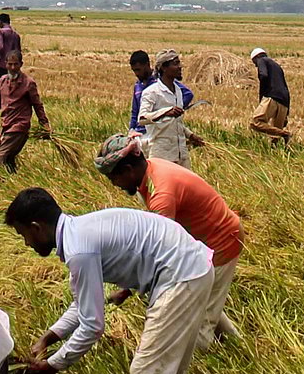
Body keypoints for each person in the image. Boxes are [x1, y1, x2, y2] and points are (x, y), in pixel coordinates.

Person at [5, 189, 214, 374]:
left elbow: (92, 326)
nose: (26, 243)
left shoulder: (80, 250)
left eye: (23, 234)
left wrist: (51, 366)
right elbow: (82, 305)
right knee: (168, 370)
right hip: (196, 267)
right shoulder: (78, 232)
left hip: (180, 276)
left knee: (146, 371)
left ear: (37, 227)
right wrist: (48, 338)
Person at [94, 134, 242, 347]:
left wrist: (127, 290)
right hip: (205, 242)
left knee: (198, 324)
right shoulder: (151, 170)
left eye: (113, 178)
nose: (114, 184)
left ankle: (203, 372)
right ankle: (236, 346)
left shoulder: (161, 193)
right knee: (205, 301)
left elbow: (159, 251)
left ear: (127, 170)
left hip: (221, 243)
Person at [0, 50, 50, 173]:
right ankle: (12, 182)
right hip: (6, 125)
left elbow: (37, 105)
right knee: (8, 159)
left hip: (19, 127)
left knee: (0, 156)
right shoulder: (2, 81)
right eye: (10, 64)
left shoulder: (28, 83)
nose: (13, 67)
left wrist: (44, 124)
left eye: (16, 64)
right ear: (6, 64)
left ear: (21, 64)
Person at [136, 50, 204, 168]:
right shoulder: (152, 92)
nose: (180, 67)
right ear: (163, 67)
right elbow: (142, 118)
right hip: (162, 153)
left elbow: (175, 123)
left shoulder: (178, 90)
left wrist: (190, 136)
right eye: (175, 64)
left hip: (180, 152)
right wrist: (166, 112)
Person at [249, 47, 292, 145]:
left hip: (272, 97)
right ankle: (276, 151)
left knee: (255, 123)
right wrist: (286, 113)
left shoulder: (261, 60)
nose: (256, 66)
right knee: (274, 137)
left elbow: (263, 75)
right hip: (284, 102)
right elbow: (285, 87)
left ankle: (285, 134)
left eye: (255, 63)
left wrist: (262, 97)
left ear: (256, 58)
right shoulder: (277, 66)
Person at [127, 50, 157, 134]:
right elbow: (135, 112)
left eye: (138, 70)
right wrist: (131, 131)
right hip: (139, 132)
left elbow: (187, 94)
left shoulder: (160, 82)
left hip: (155, 131)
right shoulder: (137, 86)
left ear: (147, 65)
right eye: (134, 70)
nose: (136, 73)